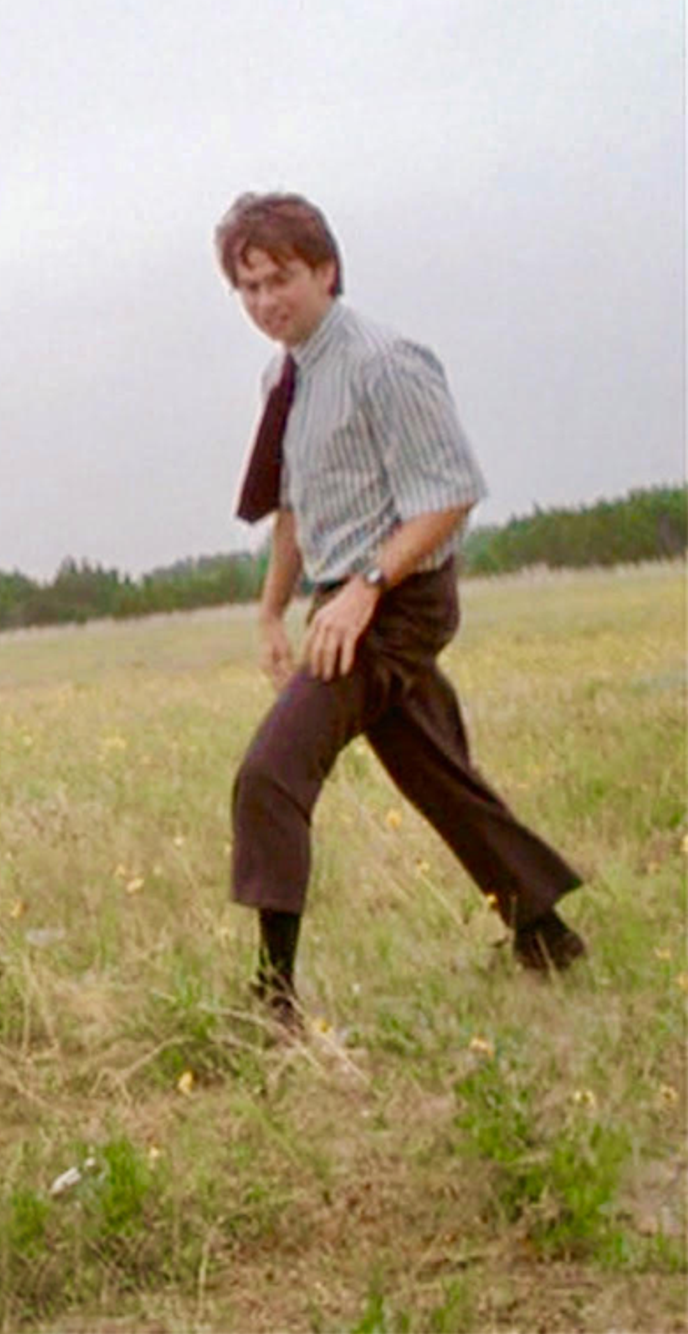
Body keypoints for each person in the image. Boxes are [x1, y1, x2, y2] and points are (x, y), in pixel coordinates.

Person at [217, 191, 586, 1027]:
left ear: (326, 270)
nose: (265, 301)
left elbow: (450, 494)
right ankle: (546, 936)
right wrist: (272, 611)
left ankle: (273, 1000)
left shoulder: (385, 362)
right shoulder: (287, 375)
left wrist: (365, 589)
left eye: (280, 279)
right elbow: (296, 508)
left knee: (270, 773)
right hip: (346, 597)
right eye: (248, 287)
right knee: (437, 773)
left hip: (397, 600)